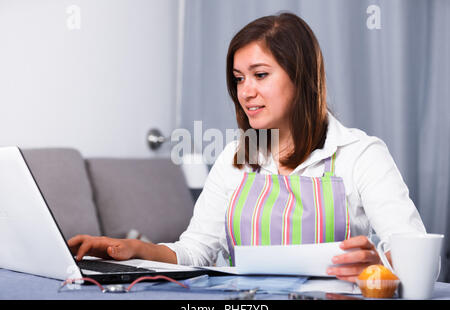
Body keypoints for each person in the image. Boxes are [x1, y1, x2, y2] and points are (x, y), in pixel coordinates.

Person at [69, 12, 426, 283]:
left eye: (260, 75)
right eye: (239, 79)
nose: (245, 92)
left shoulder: (360, 154)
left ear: (300, 78)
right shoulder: (235, 158)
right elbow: (198, 250)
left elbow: (421, 259)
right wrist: (134, 250)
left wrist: (378, 266)